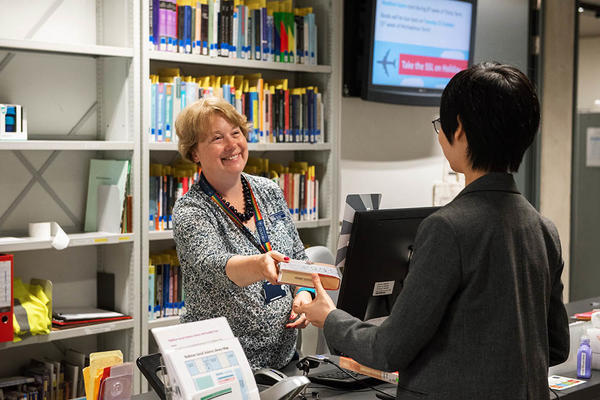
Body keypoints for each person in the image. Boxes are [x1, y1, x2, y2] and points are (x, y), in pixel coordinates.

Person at [296, 62, 570, 399]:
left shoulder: (447, 229)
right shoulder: (544, 229)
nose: (440, 135)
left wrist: (330, 317)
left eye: (442, 124)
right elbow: (556, 347)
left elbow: (389, 350)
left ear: (461, 132)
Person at [172, 96, 313, 370]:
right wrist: (260, 265)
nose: (232, 144)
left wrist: (304, 293)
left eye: (236, 133)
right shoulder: (190, 209)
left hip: (283, 359)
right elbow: (212, 265)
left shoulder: (268, 190)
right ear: (195, 153)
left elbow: (297, 255)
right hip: (221, 367)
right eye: (217, 138)